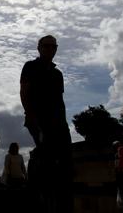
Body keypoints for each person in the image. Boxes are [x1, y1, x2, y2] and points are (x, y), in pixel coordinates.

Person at [20, 35, 73, 213]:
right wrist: (30, 114)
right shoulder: (30, 66)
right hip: (39, 120)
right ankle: (39, 199)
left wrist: (64, 123)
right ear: (39, 47)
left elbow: (60, 100)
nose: (50, 49)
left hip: (59, 122)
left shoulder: (57, 74)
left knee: (64, 163)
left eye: (53, 46)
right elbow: (24, 91)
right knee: (46, 159)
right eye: (46, 46)